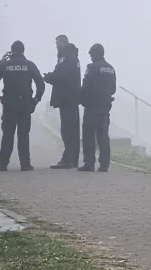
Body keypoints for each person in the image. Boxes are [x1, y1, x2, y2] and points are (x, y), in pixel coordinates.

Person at [0, 40, 45, 171]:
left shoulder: (5, 65)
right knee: (23, 135)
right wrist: (36, 100)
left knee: (8, 134)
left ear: (11, 51)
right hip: (25, 105)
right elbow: (41, 84)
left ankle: (3, 164)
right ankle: (25, 164)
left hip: (9, 105)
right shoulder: (29, 65)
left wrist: (1, 61)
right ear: (23, 51)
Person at [44, 34, 81, 169]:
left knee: (68, 130)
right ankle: (73, 159)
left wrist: (49, 78)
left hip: (66, 98)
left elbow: (61, 75)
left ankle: (68, 159)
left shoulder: (65, 57)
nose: (56, 48)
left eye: (57, 45)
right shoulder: (74, 57)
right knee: (73, 130)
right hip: (72, 98)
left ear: (61, 44)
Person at [78, 43, 116, 172]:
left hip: (92, 105)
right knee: (103, 136)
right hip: (105, 106)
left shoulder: (92, 67)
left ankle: (89, 163)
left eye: (90, 54)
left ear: (94, 54)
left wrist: (81, 99)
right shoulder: (111, 69)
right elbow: (113, 89)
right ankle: (104, 164)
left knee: (88, 135)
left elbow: (86, 86)